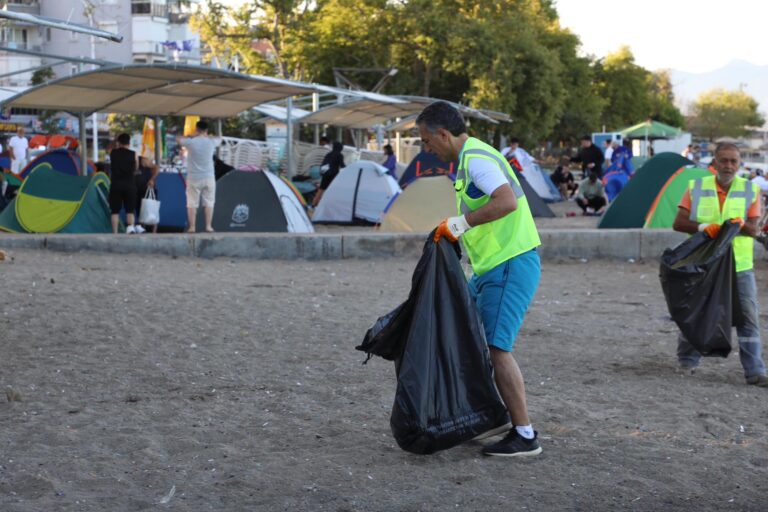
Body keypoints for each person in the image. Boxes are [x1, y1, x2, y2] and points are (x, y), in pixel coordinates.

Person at [420, 101, 543, 458]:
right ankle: (491, 416)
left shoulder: (476, 160)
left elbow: (506, 202)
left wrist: (460, 224)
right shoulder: (471, 158)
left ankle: (525, 435)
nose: (426, 149)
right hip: (494, 267)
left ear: (444, 134)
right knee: (472, 338)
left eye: (426, 141)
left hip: (509, 264)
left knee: (496, 348)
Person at [672, 143, 767, 386]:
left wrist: (740, 225)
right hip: (703, 263)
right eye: (724, 160)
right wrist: (703, 227)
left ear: (740, 163)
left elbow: (754, 229)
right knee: (696, 312)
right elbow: (679, 223)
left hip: (739, 265)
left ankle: (755, 371)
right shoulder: (696, 187)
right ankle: (687, 361)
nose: (729, 166)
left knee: (748, 317)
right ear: (714, 162)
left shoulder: (750, 190)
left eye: (733, 161)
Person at [177, 120, 221, 233]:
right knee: (209, 202)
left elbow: (178, 139)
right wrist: (208, 136)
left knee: (192, 203)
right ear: (206, 130)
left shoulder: (191, 142)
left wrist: (191, 135)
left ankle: (192, 227)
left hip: (193, 177)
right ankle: (208, 226)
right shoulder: (211, 142)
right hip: (209, 176)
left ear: (196, 129)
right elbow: (220, 138)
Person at [108, 133, 139, 234]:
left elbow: (110, 147)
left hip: (116, 185)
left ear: (118, 142)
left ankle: (115, 233)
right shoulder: (134, 154)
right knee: (130, 210)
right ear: (129, 143)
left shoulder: (113, 153)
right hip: (129, 185)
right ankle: (130, 230)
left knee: (115, 211)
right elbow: (136, 168)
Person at [311, 141, 345, 208]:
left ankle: (313, 204)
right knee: (332, 190)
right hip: (333, 175)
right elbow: (342, 165)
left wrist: (322, 173)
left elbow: (323, 164)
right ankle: (330, 205)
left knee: (321, 189)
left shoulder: (328, 154)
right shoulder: (339, 155)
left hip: (326, 174)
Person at [135, 156, 160, 233]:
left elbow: (157, 168)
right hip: (137, 190)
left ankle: (154, 232)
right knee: (140, 211)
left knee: (153, 210)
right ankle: (143, 230)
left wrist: (152, 179)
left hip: (148, 189)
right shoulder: (134, 162)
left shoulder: (145, 161)